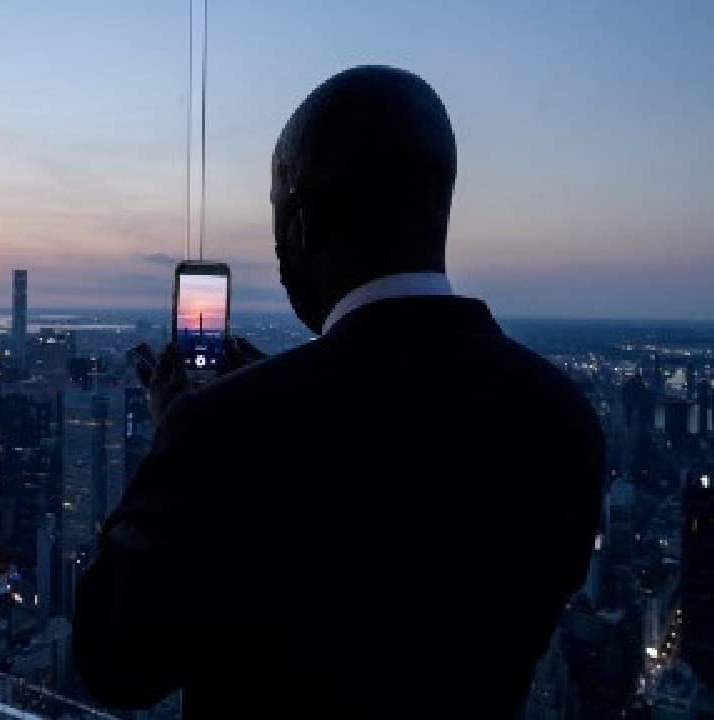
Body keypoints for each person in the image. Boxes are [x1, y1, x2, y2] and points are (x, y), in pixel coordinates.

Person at [73, 65, 604, 718]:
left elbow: (111, 664)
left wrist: (184, 434)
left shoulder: (227, 433)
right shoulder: (562, 420)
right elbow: (397, 469)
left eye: (276, 216)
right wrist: (266, 399)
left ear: (302, 220)